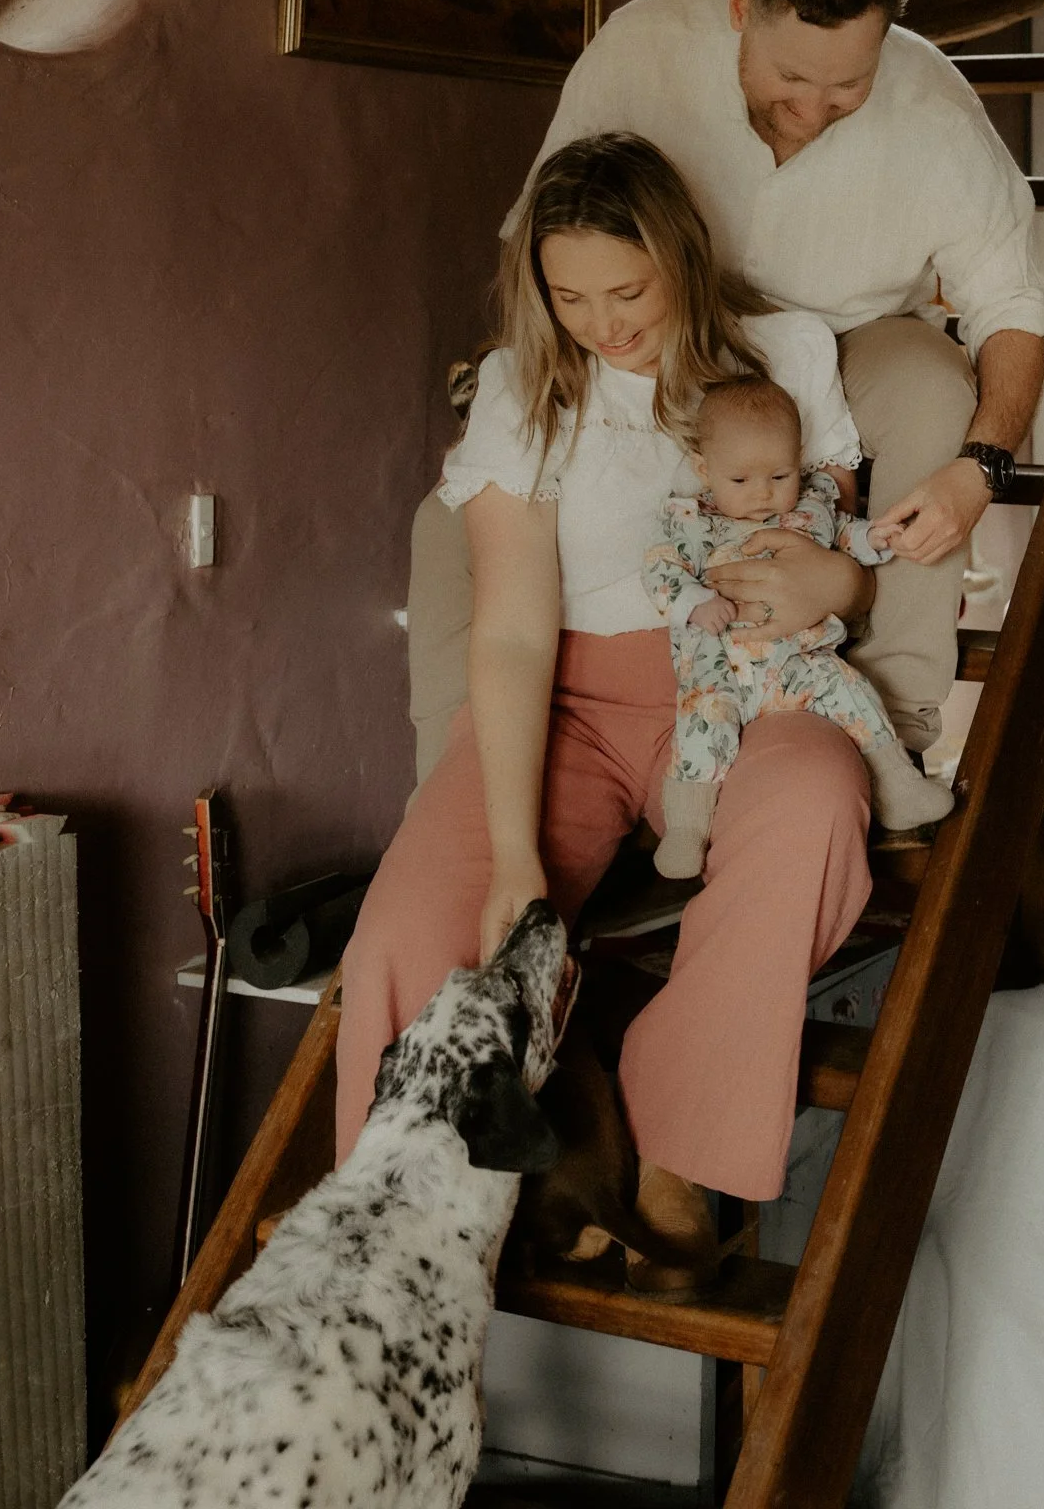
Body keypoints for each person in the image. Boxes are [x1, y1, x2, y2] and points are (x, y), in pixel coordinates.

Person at [338, 135, 880, 1283]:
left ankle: (679, 1127)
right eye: (568, 294)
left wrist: (839, 583)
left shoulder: (785, 351)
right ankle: (395, 1258)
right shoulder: (523, 387)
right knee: (404, 938)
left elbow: (830, 544)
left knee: (819, 807)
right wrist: (512, 853)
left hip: (744, 674)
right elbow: (517, 628)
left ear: (679, 255)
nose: (601, 321)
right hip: (574, 696)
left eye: (626, 290)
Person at [409, 0, 1044, 782]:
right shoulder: (641, 45)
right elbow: (550, 228)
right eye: (792, 77)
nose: (816, 107)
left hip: (844, 340)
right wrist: (525, 385)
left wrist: (980, 468)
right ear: (737, 9)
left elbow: (1013, 305)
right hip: (667, 327)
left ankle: (890, 730)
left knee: (930, 384)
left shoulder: (937, 113)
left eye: (849, 84)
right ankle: (465, 778)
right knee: (448, 525)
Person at [642, 374, 953, 879]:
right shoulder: (690, 521)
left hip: (800, 663)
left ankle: (898, 786)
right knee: (703, 726)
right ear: (704, 469)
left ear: (798, 461)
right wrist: (695, 602)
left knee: (849, 688)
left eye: (780, 476)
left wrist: (876, 535)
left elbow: (845, 539)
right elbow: (659, 570)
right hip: (721, 668)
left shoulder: (811, 508)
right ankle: (687, 828)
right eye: (741, 481)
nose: (763, 495)